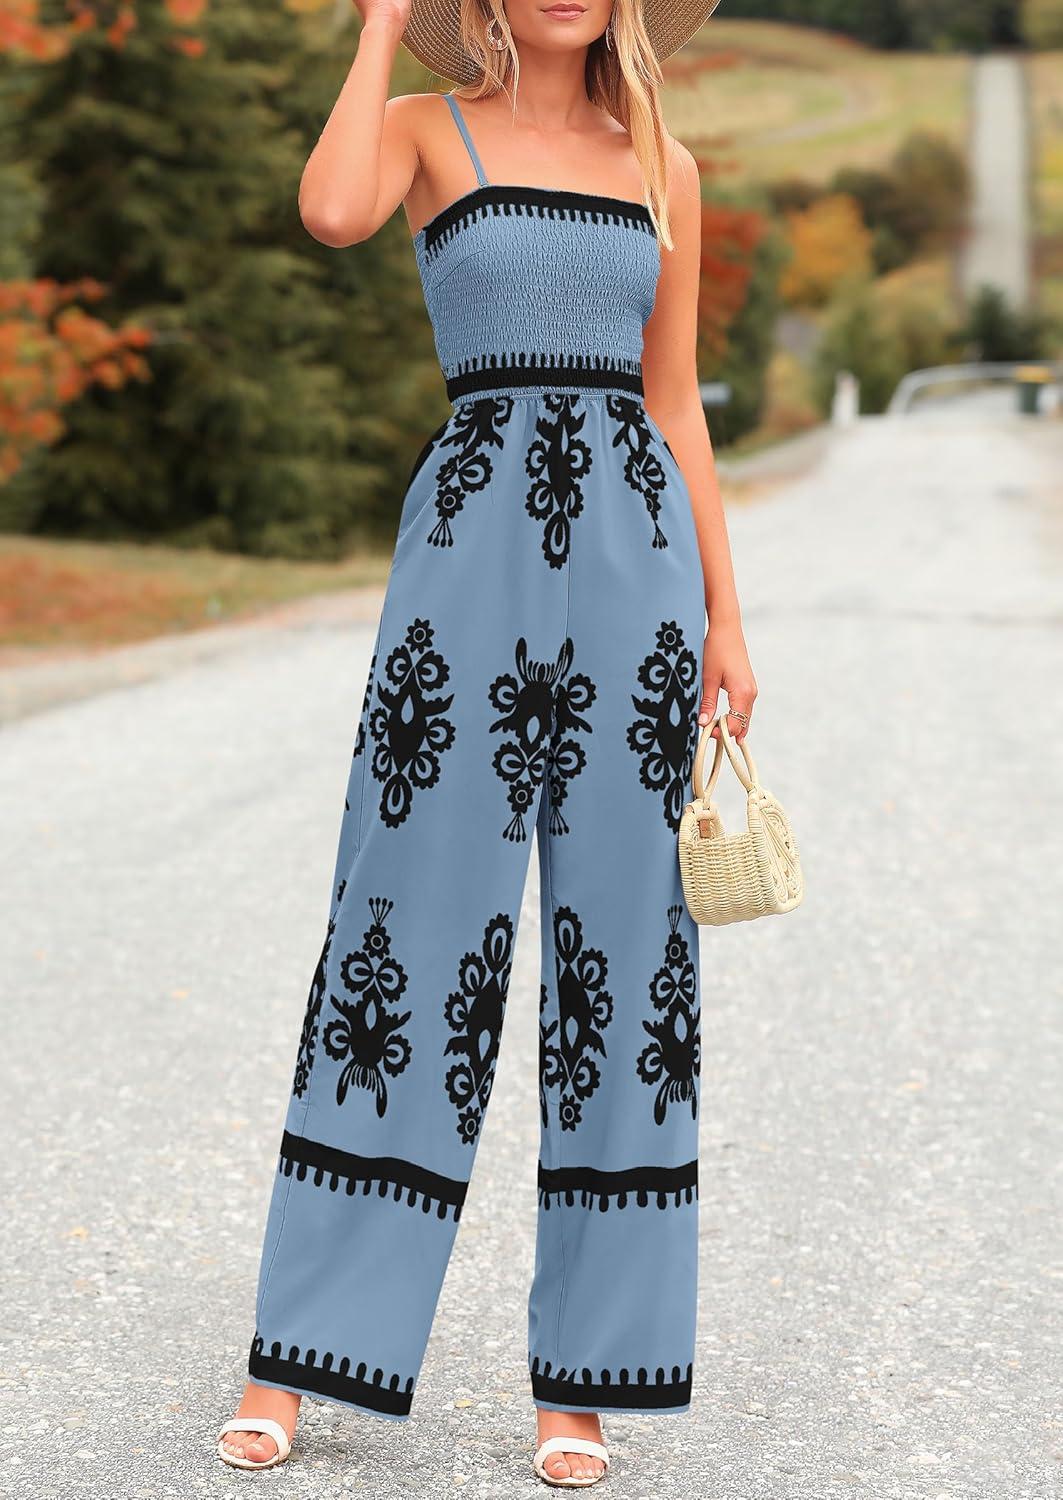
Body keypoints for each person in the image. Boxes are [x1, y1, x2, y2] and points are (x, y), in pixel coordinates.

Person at [216, 0, 756, 1487]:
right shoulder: (422, 130)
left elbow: (676, 407)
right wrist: (380, 27)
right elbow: (331, 213)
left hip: (641, 584)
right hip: (465, 570)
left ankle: (582, 1388)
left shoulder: (663, 164)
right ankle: (297, 1354)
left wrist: (726, 617)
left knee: (627, 964)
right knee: (402, 935)